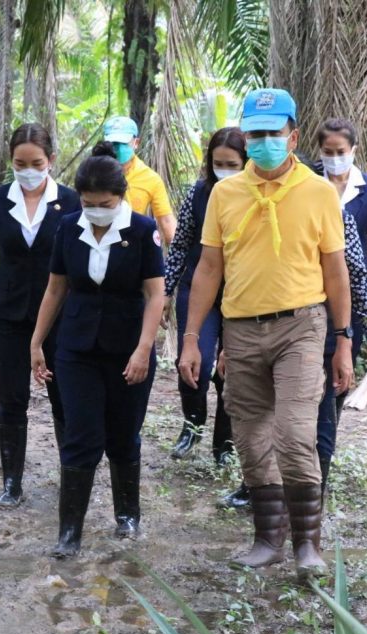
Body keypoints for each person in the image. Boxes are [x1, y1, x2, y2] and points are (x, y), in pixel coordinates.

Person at [178, 89, 352, 578]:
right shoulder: (225, 193)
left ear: (293, 137)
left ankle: (308, 546)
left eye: (273, 133)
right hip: (241, 330)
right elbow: (209, 268)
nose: (264, 142)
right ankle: (266, 540)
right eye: (255, 133)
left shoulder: (319, 192)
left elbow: (336, 270)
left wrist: (343, 339)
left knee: (294, 435)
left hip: (301, 326)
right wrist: (191, 338)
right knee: (251, 438)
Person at [30, 152, 165, 558]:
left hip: (129, 347)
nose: (96, 211)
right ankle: (69, 533)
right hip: (77, 347)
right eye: (88, 203)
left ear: (120, 197)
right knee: (81, 435)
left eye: (104, 204)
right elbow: (56, 288)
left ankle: (128, 515)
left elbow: (155, 294)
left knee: (123, 434)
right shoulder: (68, 227)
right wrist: (36, 342)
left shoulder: (142, 230)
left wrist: (144, 350)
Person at [0, 123, 81, 508]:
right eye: (20, 164)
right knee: (11, 397)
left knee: (63, 396)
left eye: (36, 163)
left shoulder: (71, 201)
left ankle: (72, 476)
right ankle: (11, 483)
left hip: (60, 316)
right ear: (11, 161)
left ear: (51, 160)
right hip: (9, 313)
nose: (28, 171)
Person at [164, 127, 244, 469]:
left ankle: (224, 442)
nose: (224, 170)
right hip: (197, 289)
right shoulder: (197, 194)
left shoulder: (255, 197)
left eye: (232, 165)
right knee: (194, 359)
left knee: (232, 370)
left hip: (241, 294)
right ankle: (192, 424)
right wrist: (166, 290)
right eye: (217, 164)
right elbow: (180, 244)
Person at [315, 209, 367, 493]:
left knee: (324, 411)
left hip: (329, 329)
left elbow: (358, 280)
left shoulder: (335, 215)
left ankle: (313, 502)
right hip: (269, 330)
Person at [316, 118, 367, 278]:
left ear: (353, 150)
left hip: (355, 279)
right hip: (315, 277)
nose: (335, 158)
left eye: (341, 152)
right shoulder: (309, 181)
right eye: (328, 152)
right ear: (320, 151)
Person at [101, 116, 177, 242]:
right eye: (113, 143)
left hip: (131, 243)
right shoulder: (93, 172)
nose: (118, 148)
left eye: (123, 143)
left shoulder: (150, 178)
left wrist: (178, 250)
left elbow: (166, 220)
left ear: (136, 143)